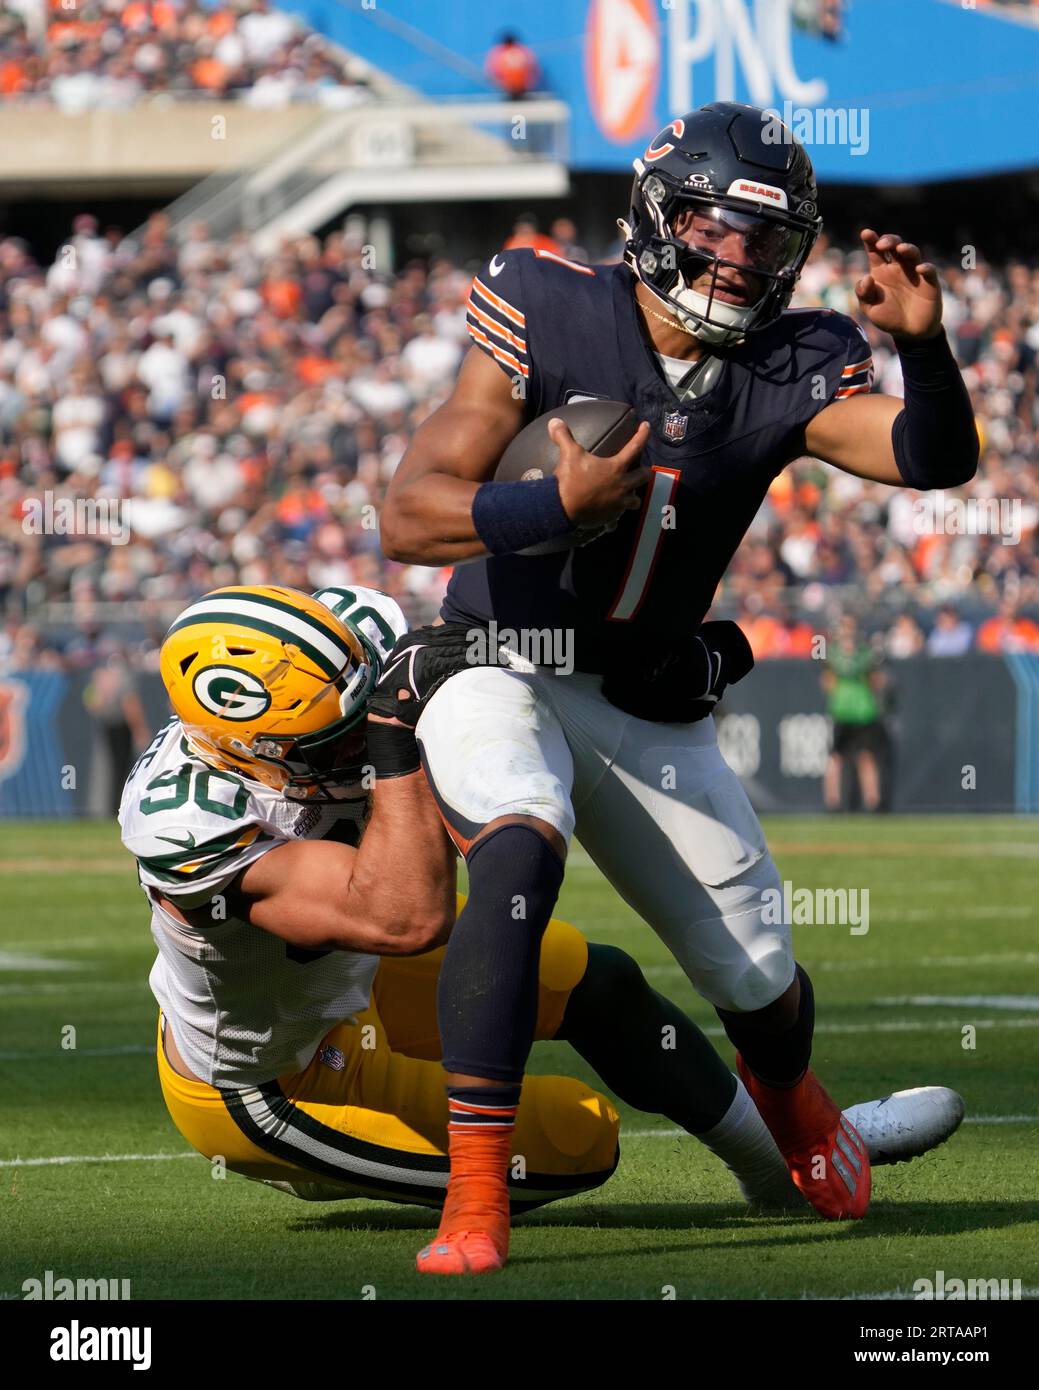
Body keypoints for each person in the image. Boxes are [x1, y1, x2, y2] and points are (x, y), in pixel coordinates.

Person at [379, 101, 979, 1274]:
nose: (737, 256)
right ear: (659, 215)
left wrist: (926, 345)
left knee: (753, 971)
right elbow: (409, 513)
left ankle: (799, 1109)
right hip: (499, 658)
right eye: (716, 225)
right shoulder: (550, 303)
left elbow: (931, 459)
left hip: (645, 693)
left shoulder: (790, 360)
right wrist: (549, 510)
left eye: (765, 239)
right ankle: (473, 1200)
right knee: (518, 845)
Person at [119, 583, 959, 1238]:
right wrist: (387, 735)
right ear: (254, 749)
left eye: (359, 715)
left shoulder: (348, 639)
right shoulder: (188, 822)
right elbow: (406, 917)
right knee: (577, 1139)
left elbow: (474, 653)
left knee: (600, 981)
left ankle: (778, 1165)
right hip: (272, 1076)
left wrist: (645, 659)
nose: (350, 744)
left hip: (359, 986)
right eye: (331, 742)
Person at [821, 615, 887, 812]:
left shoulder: (866, 654)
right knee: (836, 757)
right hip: (842, 711)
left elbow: (875, 680)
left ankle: (872, 802)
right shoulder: (831, 654)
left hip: (863, 711)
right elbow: (827, 682)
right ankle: (833, 802)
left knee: (866, 757)